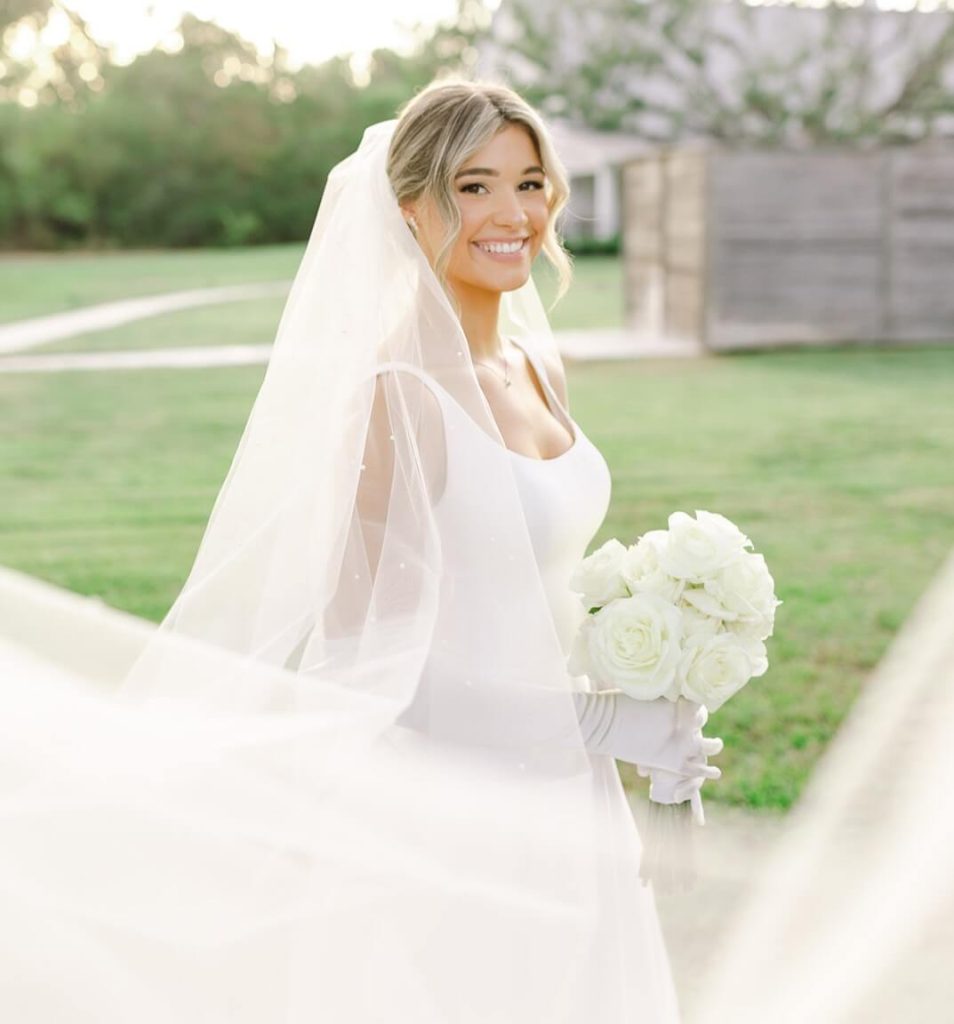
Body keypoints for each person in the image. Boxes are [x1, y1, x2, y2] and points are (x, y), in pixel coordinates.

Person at [0, 77, 722, 1022]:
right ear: (411, 207)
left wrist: (646, 661)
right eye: (473, 186)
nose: (511, 212)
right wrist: (596, 722)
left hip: (566, 786)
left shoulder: (541, 365)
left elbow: (528, 576)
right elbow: (373, 670)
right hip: (457, 809)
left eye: (530, 181)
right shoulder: (396, 396)